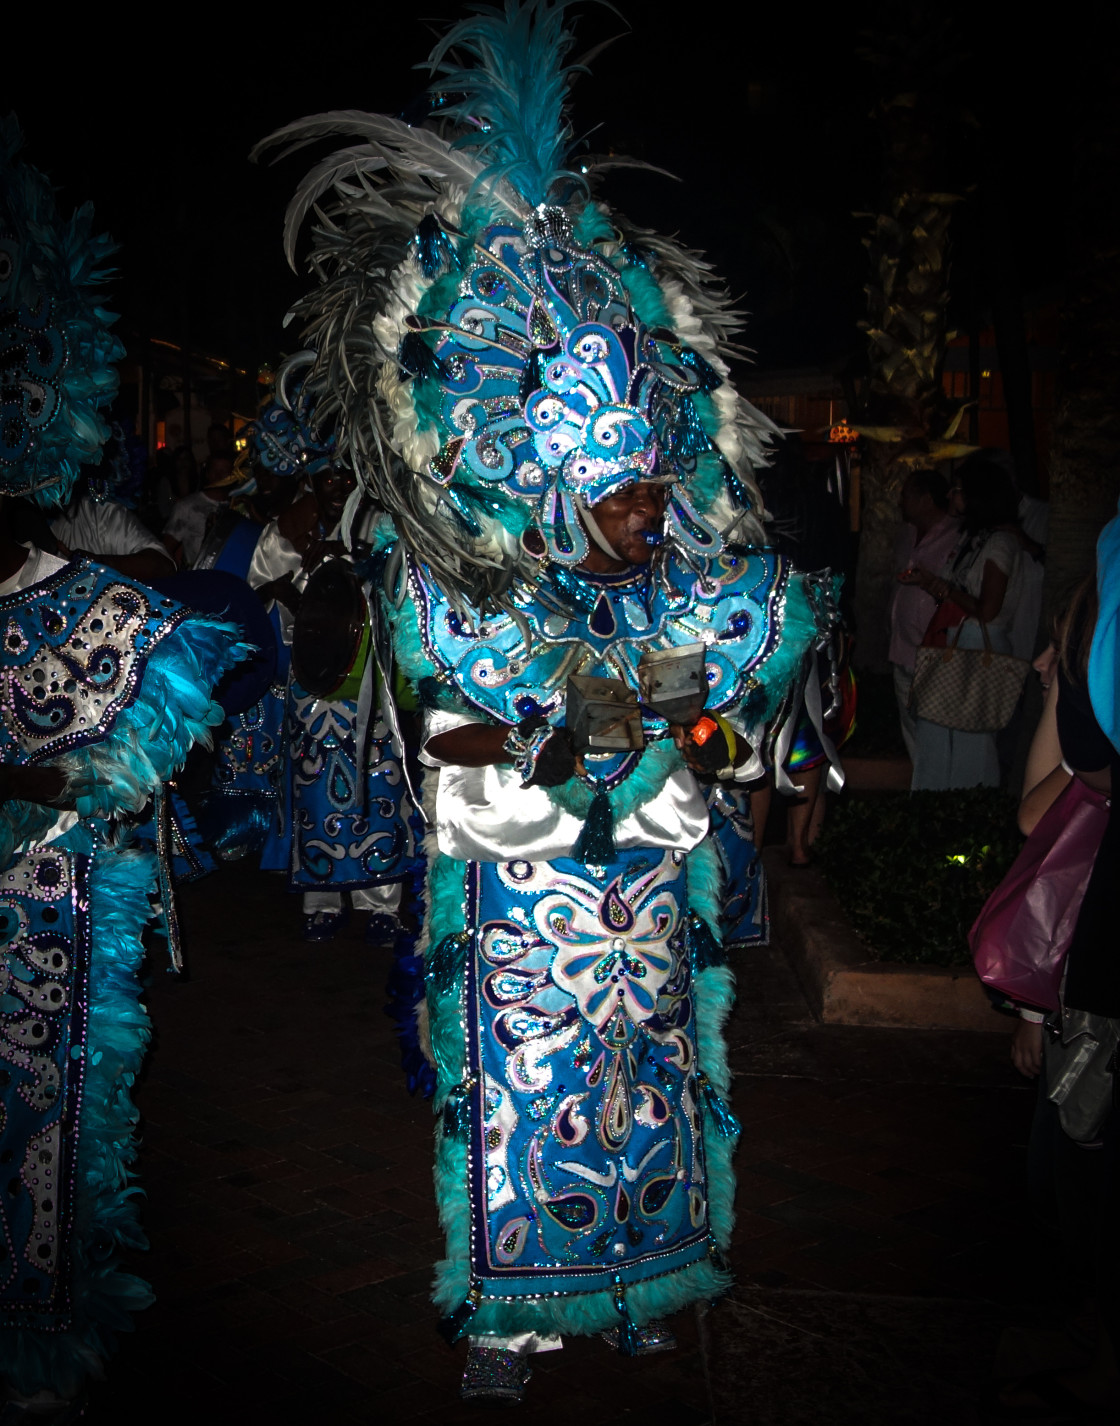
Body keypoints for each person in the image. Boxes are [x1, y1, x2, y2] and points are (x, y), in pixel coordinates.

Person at [258, 1, 832, 1401]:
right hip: (521, 907)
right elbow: (454, 735)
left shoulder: (691, 586)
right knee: (526, 1107)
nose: (651, 512)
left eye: (652, 485)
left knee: (656, 1098)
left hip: (649, 909)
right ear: (565, 479)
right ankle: (509, 1323)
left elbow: (735, 713)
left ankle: (641, 1281)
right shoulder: (471, 595)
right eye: (626, 490)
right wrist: (573, 742)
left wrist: (689, 730)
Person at [0, 119, 248, 1421]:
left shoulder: (109, 607)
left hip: (42, 931)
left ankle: (39, 1334)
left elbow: (142, 745)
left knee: (44, 1133)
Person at [246, 375, 417, 943]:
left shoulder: (384, 525)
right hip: (313, 685)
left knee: (379, 781)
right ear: (312, 481)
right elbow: (257, 594)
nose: (338, 486)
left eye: (346, 476)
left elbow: (406, 594)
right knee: (316, 784)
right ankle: (322, 899)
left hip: (374, 680)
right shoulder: (287, 533)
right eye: (327, 477)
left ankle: (381, 903)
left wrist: (360, 566)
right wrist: (306, 575)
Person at [901, 457, 1024, 789]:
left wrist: (947, 589)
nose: (951, 496)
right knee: (937, 729)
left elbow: (987, 609)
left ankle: (967, 811)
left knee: (971, 736)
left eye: (958, 490)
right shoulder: (975, 539)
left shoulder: (1000, 543)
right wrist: (934, 584)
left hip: (977, 645)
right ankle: (940, 806)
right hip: (958, 641)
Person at [887, 468, 959, 762]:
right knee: (911, 725)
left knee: (937, 726)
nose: (900, 502)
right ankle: (921, 788)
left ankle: (939, 789)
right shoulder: (906, 534)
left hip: (935, 648)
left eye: (906, 496)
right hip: (903, 647)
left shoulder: (957, 536)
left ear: (926, 499)